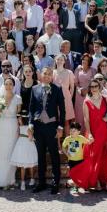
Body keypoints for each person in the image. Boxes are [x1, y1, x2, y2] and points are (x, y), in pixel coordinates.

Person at [28, 67, 65, 195]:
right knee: (41, 155)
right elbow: (31, 108)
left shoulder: (57, 89)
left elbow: (62, 109)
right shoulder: (34, 89)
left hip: (51, 126)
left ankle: (56, 182)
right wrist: (30, 124)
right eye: (45, 73)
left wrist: (60, 127)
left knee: (54, 155)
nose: (47, 76)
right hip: (38, 127)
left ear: (52, 76)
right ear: (41, 75)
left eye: (50, 74)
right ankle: (42, 182)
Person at [81, 78, 107, 190]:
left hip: (104, 131)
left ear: (99, 87)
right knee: (94, 158)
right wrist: (89, 134)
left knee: (105, 158)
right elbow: (86, 120)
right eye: (92, 87)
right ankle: (96, 181)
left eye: (96, 86)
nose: (93, 89)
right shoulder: (86, 101)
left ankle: (106, 181)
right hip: (93, 132)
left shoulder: (106, 99)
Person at [10, 110, 38, 190]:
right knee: (31, 164)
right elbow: (30, 137)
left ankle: (22, 183)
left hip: (21, 143)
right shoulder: (30, 126)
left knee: (23, 165)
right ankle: (32, 179)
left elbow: (18, 134)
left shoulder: (20, 124)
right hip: (29, 144)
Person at [62, 121, 90, 195]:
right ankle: (75, 187)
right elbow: (63, 147)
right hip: (71, 160)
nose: (72, 132)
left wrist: (91, 139)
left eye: (74, 131)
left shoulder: (81, 138)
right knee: (73, 175)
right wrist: (66, 153)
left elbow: (88, 142)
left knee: (81, 174)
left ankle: (83, 186)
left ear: (78, 132)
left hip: (80, 160)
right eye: (71, 130)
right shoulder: (67, 139)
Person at [53, 54, 75, 135]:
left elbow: (72, 87)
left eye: (61, 59)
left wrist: (70, 97)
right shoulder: (53, 72)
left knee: (66, 121)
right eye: (58, 59)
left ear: (64, 61)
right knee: (56, 121)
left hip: (66, 99)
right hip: (55, 100)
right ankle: (58, 145)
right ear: (55, 60)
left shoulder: (69, 72)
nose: (59, 61)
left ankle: (68, 142)